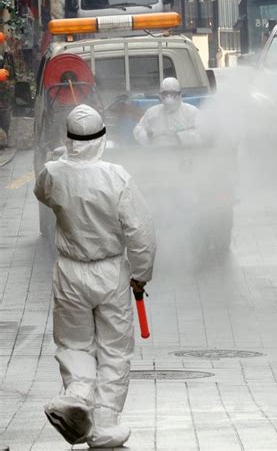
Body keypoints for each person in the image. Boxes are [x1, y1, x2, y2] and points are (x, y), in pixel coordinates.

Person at [34, 104, 156, 449]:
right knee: (115, 350)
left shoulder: (53, 173)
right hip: (111, 272)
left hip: (70, 270)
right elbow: (141, 232)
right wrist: (141, 274)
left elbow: (42, 194)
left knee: (74, 344)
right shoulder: (117, 177)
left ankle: (75, 396)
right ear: (102, 138)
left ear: (69, 139)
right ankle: (103, 424)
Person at [133, 76, 200, 148]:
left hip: (184, 155)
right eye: (165, 94)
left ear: (179, 94)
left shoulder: (191, 112)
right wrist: (145, 136)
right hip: (157, 154)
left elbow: (202, 133)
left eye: (172, 94)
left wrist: (180, 137)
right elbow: (138, 128)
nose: (169, 97)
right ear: (160, 95)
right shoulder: (152, 112)